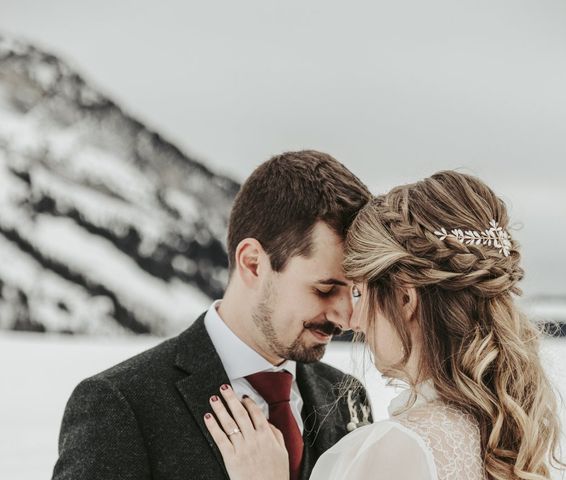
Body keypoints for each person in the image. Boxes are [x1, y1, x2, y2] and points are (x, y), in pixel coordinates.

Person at [203, 170, 566, 480]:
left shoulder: (394, 450)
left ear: (404, 298)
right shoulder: (498, 436)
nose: (353, 319)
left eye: (360, 293)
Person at [52, 150, 373, 480]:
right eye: (324, 289)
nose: (348, 318)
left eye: (356, 291)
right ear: (253, 263)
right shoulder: (121, 405)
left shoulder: (347, 395)